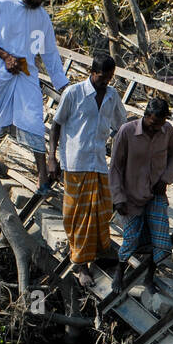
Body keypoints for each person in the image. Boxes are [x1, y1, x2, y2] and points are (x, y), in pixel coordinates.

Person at [0, 0, 70, 194]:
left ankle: (42, 176)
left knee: (34, 119)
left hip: (26, 74)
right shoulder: (1, 4)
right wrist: (6, 57)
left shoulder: (42, 17)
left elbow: (49, 53)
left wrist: (62, 83)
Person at [48, 53, 125, 289]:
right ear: (92, 72)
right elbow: (56, 125)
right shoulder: (74, 93)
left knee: (101, 213)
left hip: (99, 164)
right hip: (75, 162)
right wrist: (51, 158)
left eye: (110, 78)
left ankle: (98, 253)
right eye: (103, 77)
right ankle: (82, 265)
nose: (106, 82)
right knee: (78, 217)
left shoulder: (112, 96)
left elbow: (122, 127)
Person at [109, 96, 173, 292]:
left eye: (160, 123)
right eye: (153, 123)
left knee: (160, 240)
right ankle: (119, 273)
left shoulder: (167, 132)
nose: (156, 128)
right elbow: (115, 167)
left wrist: (166, 178)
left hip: (155, 193)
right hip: (131, 195)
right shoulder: (127, 131)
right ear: (146, 116)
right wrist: (118, 198)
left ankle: (149, 277)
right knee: (131, 239)